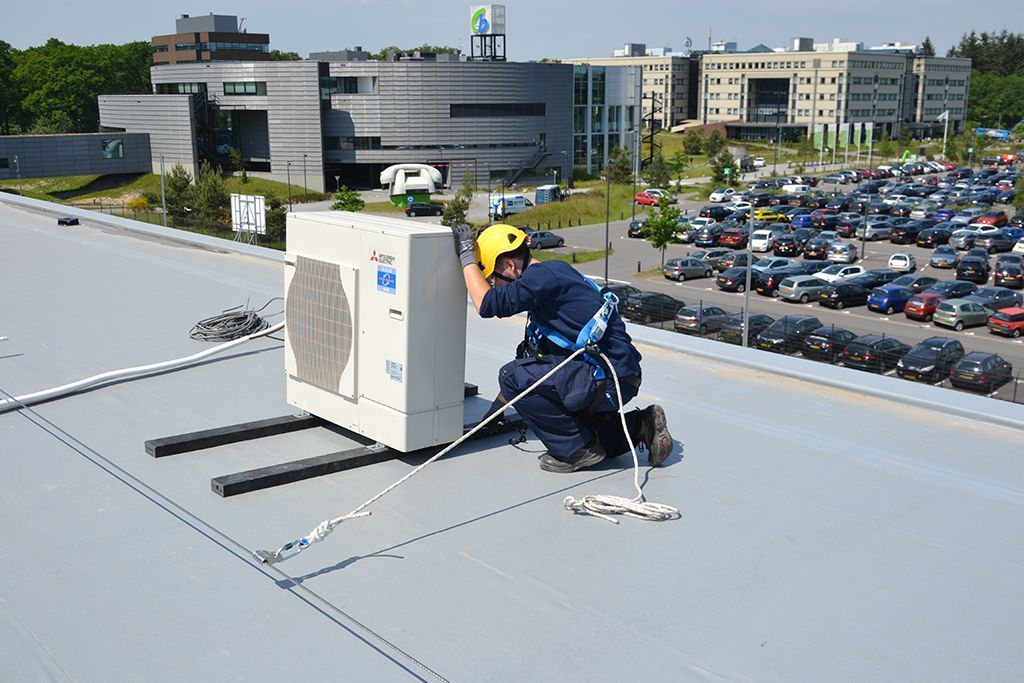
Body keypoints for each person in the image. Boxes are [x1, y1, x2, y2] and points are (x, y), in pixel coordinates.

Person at [451, 223, 672, 473]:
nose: (494, 284)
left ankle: (577, 452)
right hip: (620, 379)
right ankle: (642, 425)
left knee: (511, 376)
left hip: (606, 382)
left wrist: (466, 254)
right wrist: (495, 414)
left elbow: (487, 304)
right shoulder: (555, 276)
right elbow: (531, 359)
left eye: (494, 278)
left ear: (509, 266)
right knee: (586, 433)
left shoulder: (541, 277)